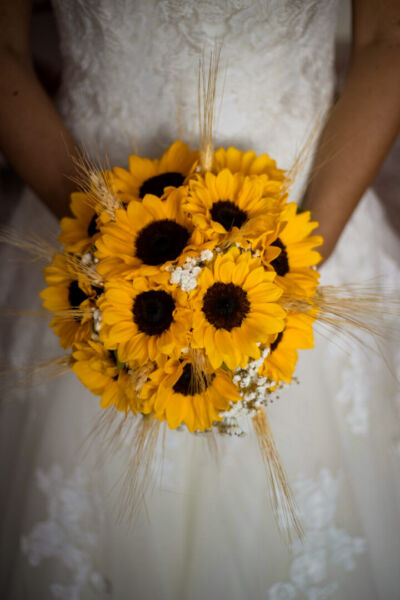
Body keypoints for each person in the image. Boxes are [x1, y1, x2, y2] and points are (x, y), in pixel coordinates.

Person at [1, 1, 400, 598]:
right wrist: (107, 253)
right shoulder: (100, 252)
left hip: (311, 222)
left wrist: (291, 268)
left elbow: (386, 38)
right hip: (82, 216)